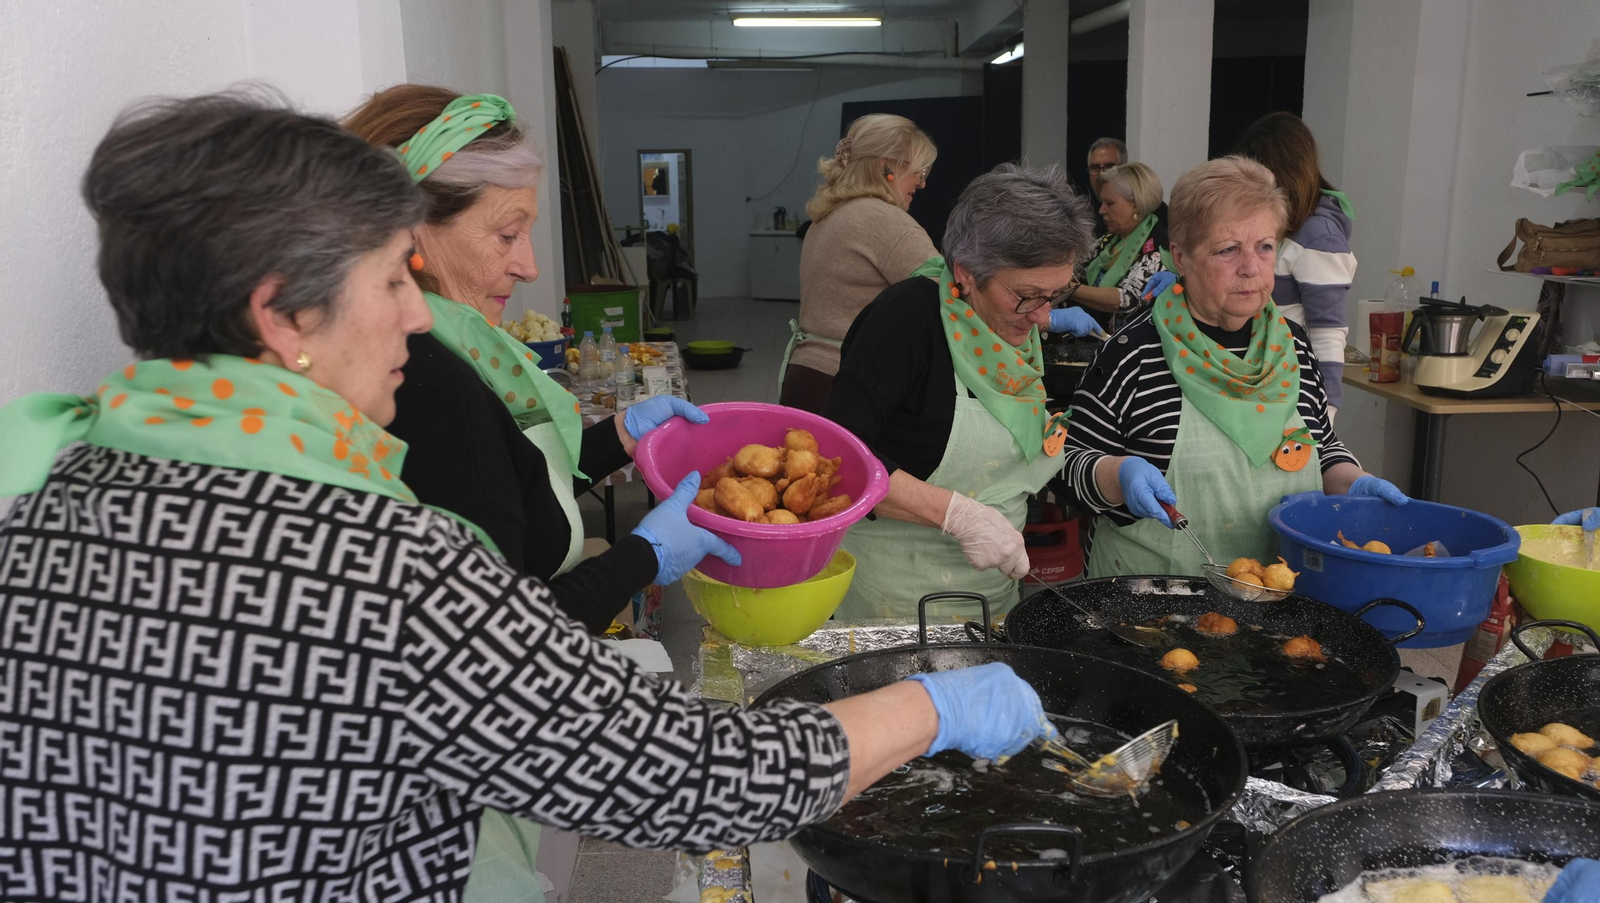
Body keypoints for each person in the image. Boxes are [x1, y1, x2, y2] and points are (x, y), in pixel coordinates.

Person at [0, 91, 1055, 903]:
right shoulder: (379, 568)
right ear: (284, 317)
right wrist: (932, 705)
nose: (418, 318)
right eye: (388, 281)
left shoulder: (43, 502)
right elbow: (684, 776)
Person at [345, 85, 720, 634]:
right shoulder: (427, 382)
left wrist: (620, 437)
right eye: (507, 235)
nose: (529, 267)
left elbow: (510, 491)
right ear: (412, 227)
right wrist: (643, 556)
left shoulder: (461, 346)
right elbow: (499, 640)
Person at [1055, 157, 1408, 576]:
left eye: (1264, 247)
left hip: (1280, 593)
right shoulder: (1132, 352)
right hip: (1150, 606)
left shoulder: (1293, 346)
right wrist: (1118, 473)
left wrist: (1353, 482)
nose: (1251, 267)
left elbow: (1321, 449)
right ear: (1181, 257)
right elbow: (1066, 467)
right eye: (1227, 250)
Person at [825, 164, 1103, 619]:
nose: (1041, 316)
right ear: (967, 272)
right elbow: (839, 457)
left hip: (991, 598)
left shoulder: (1013, 325)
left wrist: (1111, 473)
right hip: (892, 603)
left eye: (1056, 294)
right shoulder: (903, 321)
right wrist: (956, 514)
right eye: (1028, 295)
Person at [780, 114, 939, 414]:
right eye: (916, 169)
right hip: (847, 386)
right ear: (885, 167)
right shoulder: (885, 221)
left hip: (806, 376)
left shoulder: (828, 216)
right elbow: (950, 298)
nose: (922, 181)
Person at [1234, 112, 1356, 414]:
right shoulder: (1281, 228)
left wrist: (1324, 413)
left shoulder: (1318, 236)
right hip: (1260, 383)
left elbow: (1328, 333)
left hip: (1293, 395)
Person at [1073, 162, 1172, 331]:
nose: (1101, 210)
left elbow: (1128, 299)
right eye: (1102, 202)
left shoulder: (1157, 247)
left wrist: (1069, 290)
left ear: (1136, 204)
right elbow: (1076, 268)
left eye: (1110, 203)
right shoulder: (1110, 239)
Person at [1086, 136, 1129, 237]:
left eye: (1109, 167)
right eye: (1095, 167)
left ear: (1124, 168)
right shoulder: (1080, 212)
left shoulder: (1146, 208)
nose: (1102, 173)